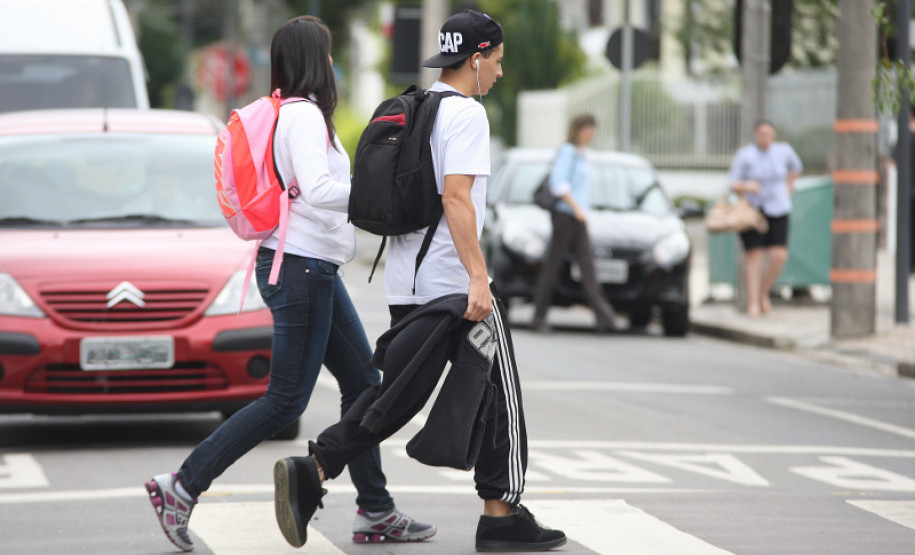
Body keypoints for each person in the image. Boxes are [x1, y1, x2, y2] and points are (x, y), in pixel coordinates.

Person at [272, 9, 567, 553]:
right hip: (456, 286)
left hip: (408, 287)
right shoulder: (467, 116)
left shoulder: (419, 106)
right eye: (497, 62)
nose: (499, 73)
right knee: (503, 391)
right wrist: (479, 279)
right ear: (475, 59)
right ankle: (501, 516)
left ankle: (315, 467)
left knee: (398, 398)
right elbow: (456, 198)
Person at [143, 16, 434, 552]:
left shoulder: (302, 115)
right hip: (299, 269)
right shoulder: (301, 117)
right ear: (312, 62)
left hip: (313, 268)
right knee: (285, 402)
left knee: (363, 383)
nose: (331, 65)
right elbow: (316, 189)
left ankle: (375, 509)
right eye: (325, 55)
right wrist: (378, 193)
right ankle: (181, 486)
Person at [531, 113, 617, 333]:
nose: (591, 133)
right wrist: (577, 208)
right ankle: (539, 317)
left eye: (593, 129)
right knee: (553, 266)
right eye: (588, 128)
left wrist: (581, 211)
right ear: (578, 129)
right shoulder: (567, 152)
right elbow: (558, 184)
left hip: (578, 218)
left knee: (588, 267)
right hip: (565, 217)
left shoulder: (583, 154)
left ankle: (604, 317)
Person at [728, 119, 803, 318]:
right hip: (753, 210)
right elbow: (733, 183)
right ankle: (753, 302)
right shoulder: (745, 155)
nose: (765, 139)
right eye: (762, 135)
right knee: (754, 255)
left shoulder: (783, 151)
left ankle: (764, 292)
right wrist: (747, 186)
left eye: (769, 135)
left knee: (778, 256)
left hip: (778, 208)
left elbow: (796, 168)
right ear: (755, 135)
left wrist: (789, 188)